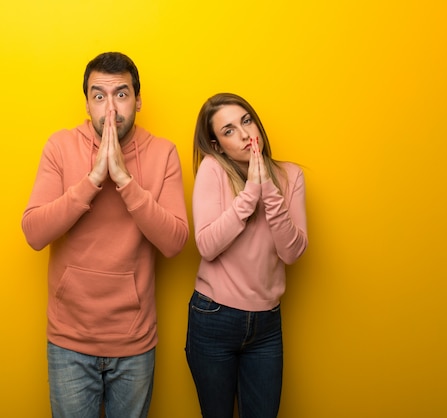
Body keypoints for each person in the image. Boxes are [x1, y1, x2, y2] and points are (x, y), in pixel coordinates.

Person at [21, 52, 189, 418]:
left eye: (121, 95)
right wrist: (94, 179)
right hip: (69, 341)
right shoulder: (60, 146)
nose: (109, 109)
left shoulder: (163, 153)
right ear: (86, 104)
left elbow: (175, 242)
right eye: (99, 96)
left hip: (134, 342)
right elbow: (34, 233)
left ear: (138, 100)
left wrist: (125, 181)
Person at [185, 92, 308, 418]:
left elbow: (292, 252)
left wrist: (268, 190)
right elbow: (207, 246)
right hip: (213, 318)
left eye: (246, 121)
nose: (244, 135)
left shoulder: (291, 176)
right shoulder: (213, 170)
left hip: (266, 324)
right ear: (216, 145)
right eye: (228, 131)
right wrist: (249, 194)